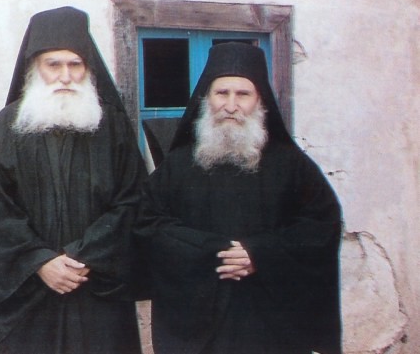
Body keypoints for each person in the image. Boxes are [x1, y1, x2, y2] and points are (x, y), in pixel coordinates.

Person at [0, 6, 147, 354]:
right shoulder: (6, 128)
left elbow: (133, 200)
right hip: (28, 297)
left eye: (75, 64)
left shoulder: (112, 126)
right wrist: (40, 261)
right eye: (53, 64)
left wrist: (82, 256)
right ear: (34, 68)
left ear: (88, 68)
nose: (65, 75)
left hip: (98, 293)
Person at [135, 42, 342, 354]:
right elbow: (148, 225)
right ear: (206, 99)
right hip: (198, 325)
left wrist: (259, 254)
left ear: (260, 101)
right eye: (222, 93)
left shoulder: (291, 164)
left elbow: (321, 226)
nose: (231, 105)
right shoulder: (177, 165)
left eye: (242, 94)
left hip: (269, 325)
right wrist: (212, 252)